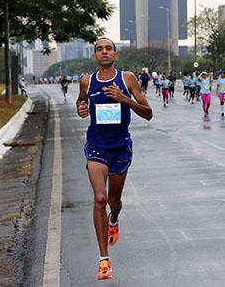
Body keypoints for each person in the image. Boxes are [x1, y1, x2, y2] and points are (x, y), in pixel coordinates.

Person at [76, 38, 153, 280]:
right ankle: (104, 260)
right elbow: (81, 102)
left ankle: (114, 219)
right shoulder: (87, 81)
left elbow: (149, 113)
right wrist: (81, 109)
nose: (104, 52)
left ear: (115, 55)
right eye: (99, 49)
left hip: (121, 148)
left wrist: (125, 99)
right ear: (95, 56)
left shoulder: (128, 79)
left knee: (113, 201)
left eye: (108, 48)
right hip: (97, 148)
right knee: (99, 198)